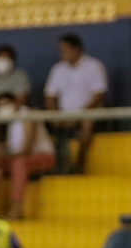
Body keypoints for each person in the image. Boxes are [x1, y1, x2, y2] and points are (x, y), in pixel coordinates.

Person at [0, 92, 56, 219]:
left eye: (6, 104)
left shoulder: (27, 115)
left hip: (43, 156)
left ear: (15, 103)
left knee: (19, 162)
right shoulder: (4, 121)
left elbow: (27, 149)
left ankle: (17, 208)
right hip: (16, 158)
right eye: (0, 105)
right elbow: (0, 147)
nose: (3, 108)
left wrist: (6, 154)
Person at [43, 33, 106, 174]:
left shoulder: (94, 66)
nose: (62, 53)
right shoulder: (58, 69)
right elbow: (50, 95)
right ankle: (57, 165)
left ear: (77, 49)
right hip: (64, 114)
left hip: (86, 112)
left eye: (65, 50)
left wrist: (78, 115)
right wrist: (54, 114)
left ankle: (79, 164)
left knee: (88, 122)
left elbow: (98, 95)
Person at [0, 44, 31, 111]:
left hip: (16, 114)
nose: (2, 61)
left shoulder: (21, 76)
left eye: (5, 57)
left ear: (12, 60)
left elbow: (22, 101)